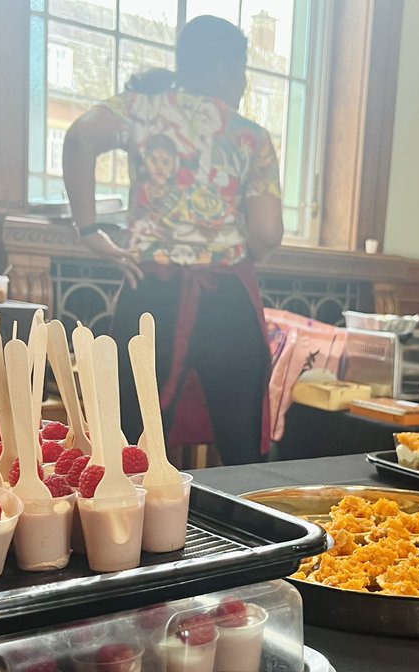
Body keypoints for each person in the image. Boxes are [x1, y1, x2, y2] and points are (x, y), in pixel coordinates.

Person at [62, 15, 283, 465]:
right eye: (241, 73)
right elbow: (266, 233)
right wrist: (241, 247)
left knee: (130, 439)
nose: (241, 85)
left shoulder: (140, 109)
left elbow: (81, 137)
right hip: (228, 300)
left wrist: (88, 230)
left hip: (151, 290)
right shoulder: (251, 138)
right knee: (241, 443)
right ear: (224, 69)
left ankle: (124, 532)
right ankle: (249, 532)